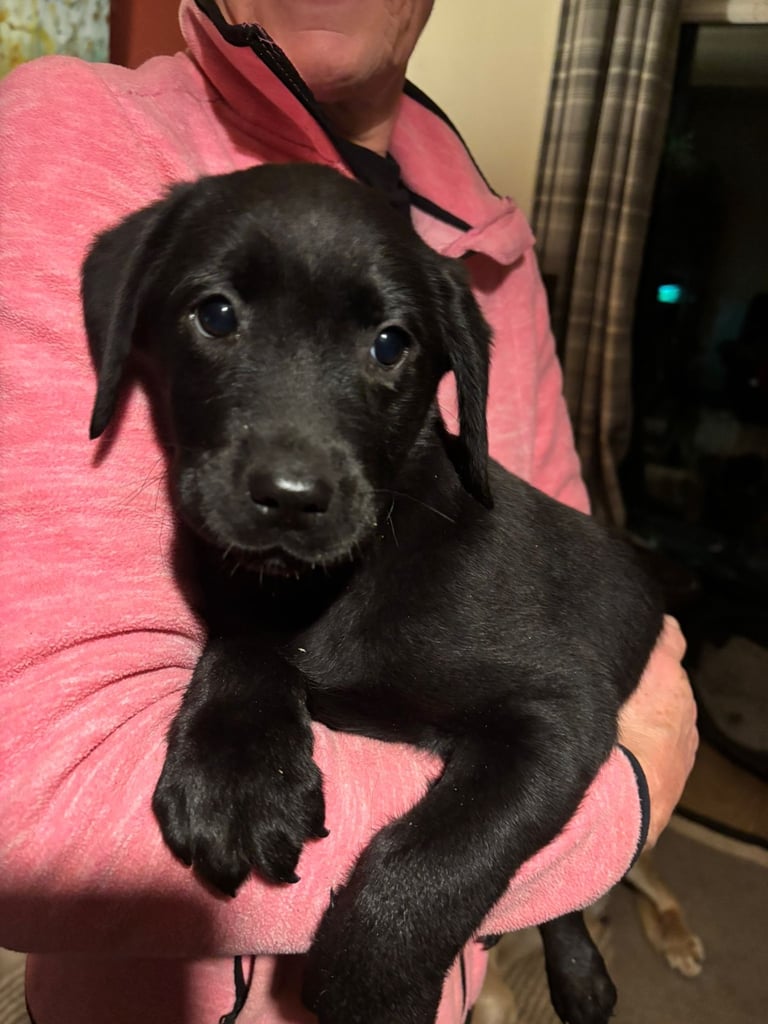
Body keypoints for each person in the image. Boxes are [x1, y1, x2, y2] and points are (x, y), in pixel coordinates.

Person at [0, 2, 698, 1022]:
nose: (291, 474)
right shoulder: (69, 138)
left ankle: (570, 940)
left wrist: (480, 906)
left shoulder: (490, 250)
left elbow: (558, 684)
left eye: (385, 348)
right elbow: (38, 808)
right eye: (220, 315)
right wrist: (618, 805)